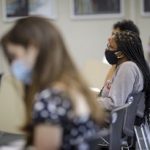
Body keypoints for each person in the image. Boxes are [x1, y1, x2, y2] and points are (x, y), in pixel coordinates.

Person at [1, 16, 105, 150]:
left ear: (33, 48)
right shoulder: (75, 88)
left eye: (14, 56)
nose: (13, 65)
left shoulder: (50, 99)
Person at [98, 30, 150, 124]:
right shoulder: (130, 66)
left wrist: (92, 103)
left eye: (111, 47)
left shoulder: (127, 68)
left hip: (115, 122)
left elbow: (115, 103)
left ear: (120, 54)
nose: (107, 50)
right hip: (117, 120)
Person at [102, 20, 140, 85]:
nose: (109, 38)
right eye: (112, 34)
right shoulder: (116, 63)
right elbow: (105, 89)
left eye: (114, 35)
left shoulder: (128, 68)